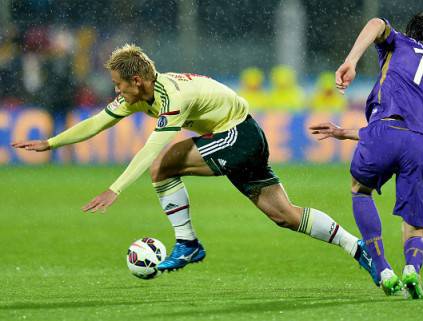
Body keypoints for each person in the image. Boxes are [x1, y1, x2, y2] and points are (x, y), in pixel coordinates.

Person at [12, 44, 376, 281]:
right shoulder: (142, 93)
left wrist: (115, 188)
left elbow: (151, 151)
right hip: (238, 135)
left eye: (119, 84)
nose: (116, 90)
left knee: (162, 167)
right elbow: (98, 121)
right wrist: (51, 142)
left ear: (136, 80)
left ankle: (187, 243)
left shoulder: (172, 97)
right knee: (284, 215)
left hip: (238, 135)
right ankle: (356, 247)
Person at [310, 13, 423, 299]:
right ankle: (412, 269)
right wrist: (344, 132)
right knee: (416, 227)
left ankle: (383, 267)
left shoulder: (399, 43)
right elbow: (408, 126)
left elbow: (376, 23)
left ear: (409, 32)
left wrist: (351, 60)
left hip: (385, 131)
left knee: (360, 190)